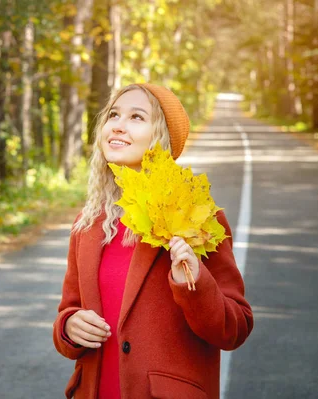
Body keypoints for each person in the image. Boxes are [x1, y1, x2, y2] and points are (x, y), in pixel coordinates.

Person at [52, 83, 253, 399]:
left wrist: (194, 281)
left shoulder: (195, 217)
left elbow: (234, 328)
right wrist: (69, 326)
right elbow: (69, 311)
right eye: (114, 114)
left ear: (161, 138)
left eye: (136, 117)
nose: (118, 124)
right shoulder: (88, 223)